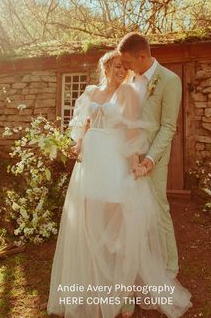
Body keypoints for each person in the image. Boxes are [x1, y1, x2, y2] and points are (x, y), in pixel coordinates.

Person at [47, 50, 192, 318]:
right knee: (91, 225)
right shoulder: (90, 91)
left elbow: (132, 130)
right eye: (116, 66)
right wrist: (76, 145)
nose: (121, 70)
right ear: (105, 66)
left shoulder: (127, 94)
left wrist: (136, 162)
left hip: (114, 162)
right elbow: (82, 124)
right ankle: (95, 286)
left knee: (117, 231)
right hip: (90, 164)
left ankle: (122, 293)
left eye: (123, 67)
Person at [118, 32, 182, 279]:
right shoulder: (130, 81)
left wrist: (150, 159)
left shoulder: (169, 80)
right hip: (129, 155)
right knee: (131, 211)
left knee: (158, 210)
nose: (125, 67)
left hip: (154, 159)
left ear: (142, 55)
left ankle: (170, 268)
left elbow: (168, 126)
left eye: (128, 63)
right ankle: (140, 262)